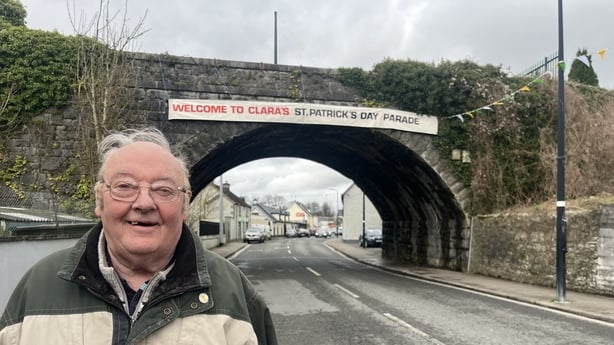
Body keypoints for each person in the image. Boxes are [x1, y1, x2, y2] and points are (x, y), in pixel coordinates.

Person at [0, 127, 277, 345]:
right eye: (124, 186)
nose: (144, 203)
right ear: (100, 201)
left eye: (163, 190)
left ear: (185, 206)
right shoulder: (37, 288)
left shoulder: (236, 295)